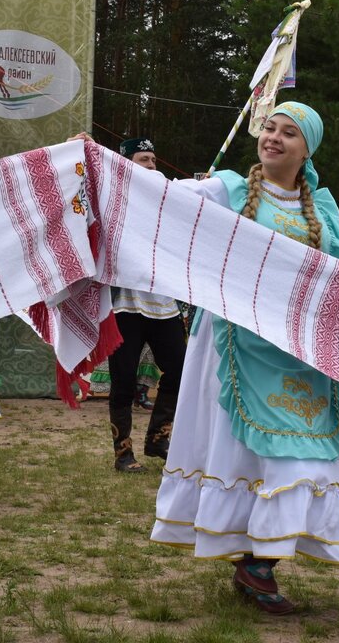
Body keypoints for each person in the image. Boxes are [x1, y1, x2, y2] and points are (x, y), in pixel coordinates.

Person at [151, 103, 339, 614]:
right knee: (254, 454)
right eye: (270, 129)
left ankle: (259, 559)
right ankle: (255, 562)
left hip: (301, 350)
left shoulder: (321, 210)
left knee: (304, 455)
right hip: (239, 345)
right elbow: (161, 197)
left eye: (289, 133)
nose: (274, 137)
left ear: (307, 150)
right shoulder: (227, 189)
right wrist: (106, 166)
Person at [104, 137, 186, 472]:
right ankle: (123, 452)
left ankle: (157, 438)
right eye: (143, 160)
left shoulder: (169, 199)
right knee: (123, 379)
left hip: (163, 302)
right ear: (126, 164)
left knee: (180, 371)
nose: (151, 166)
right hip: (126, 304)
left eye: (153, 160)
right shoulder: (114, 200)